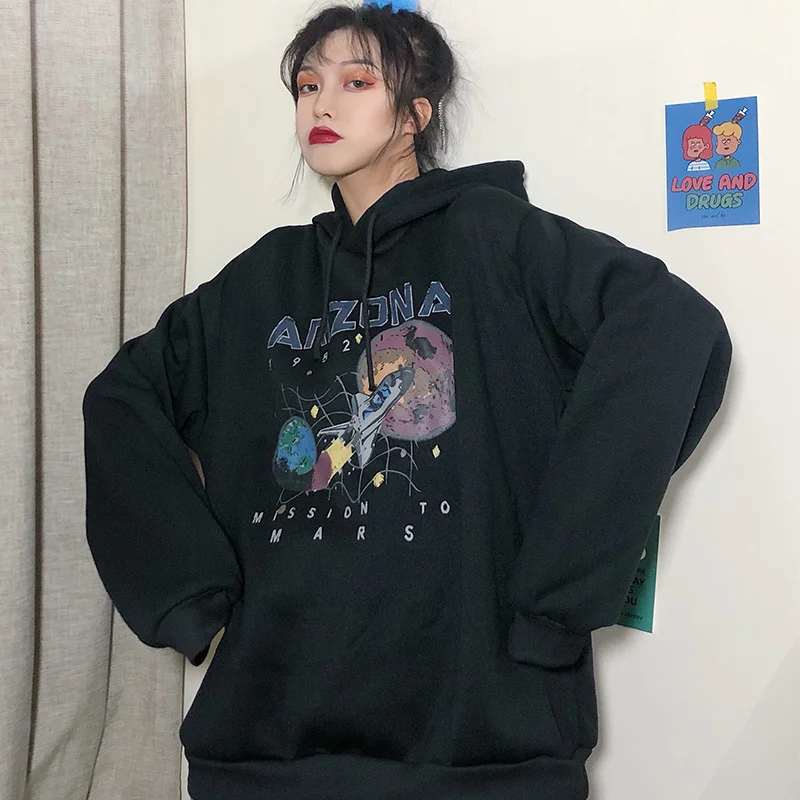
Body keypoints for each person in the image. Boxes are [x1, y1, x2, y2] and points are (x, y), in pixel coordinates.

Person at [82, 2, 733, 799]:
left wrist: (559, 591)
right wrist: (188, 592)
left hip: (480, 752)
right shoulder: (260, 281)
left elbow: (671, 328)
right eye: (307, 85)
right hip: (265, 753)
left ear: (415, 115)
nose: (322, 103)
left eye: (356, 82)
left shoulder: (495, 237)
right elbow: (122, 397)